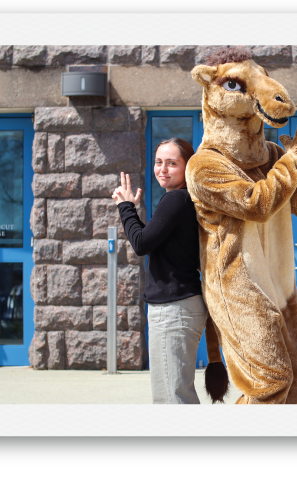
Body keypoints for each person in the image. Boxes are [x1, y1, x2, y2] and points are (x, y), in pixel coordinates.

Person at [112, 137, 206, 404]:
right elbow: (150, 239)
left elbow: (141, 243)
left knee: (172, 398)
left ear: (188, 167)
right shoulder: (182, 200)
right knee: (174, 394)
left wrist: (125, 207)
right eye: (158, 162)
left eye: (172, 163)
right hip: (178, 307)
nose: (162, 169)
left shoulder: (176, 200)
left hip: (174, 309)